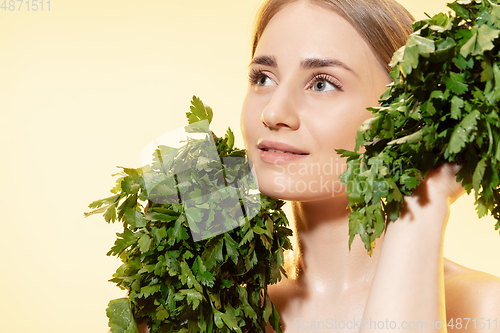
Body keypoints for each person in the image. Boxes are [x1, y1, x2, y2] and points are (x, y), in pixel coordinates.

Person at [240, 0, 500, 332]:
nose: (274, 113)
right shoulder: (224, 299)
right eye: (263, 78)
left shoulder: (479, 307)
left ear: (402, 115)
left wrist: (426, 198)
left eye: (322, 84)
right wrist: (194, 211)